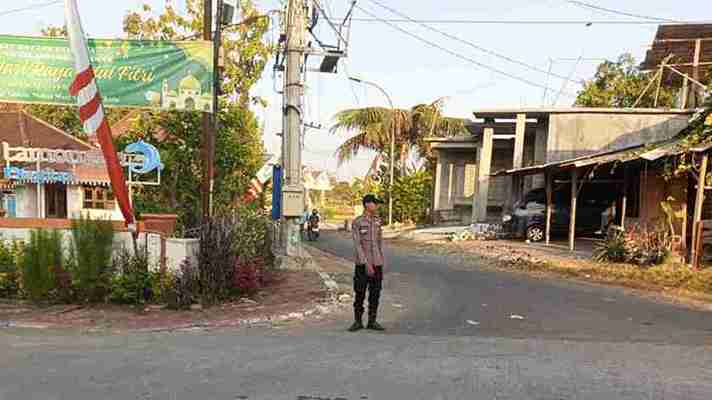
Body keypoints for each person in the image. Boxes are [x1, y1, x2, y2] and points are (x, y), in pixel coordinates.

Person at [349, 194, 386, 332]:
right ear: (367, 204)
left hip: (377, 264)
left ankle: (372, 321)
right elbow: (357, 245)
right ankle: (357, 321)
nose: (376, 206)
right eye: (374, 203)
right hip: (362, 265)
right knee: (360, 293)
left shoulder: (378, 221)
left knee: (375, 294)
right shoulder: (357, 222)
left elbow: (379, 242)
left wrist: (380, 260)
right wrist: (366, 264)